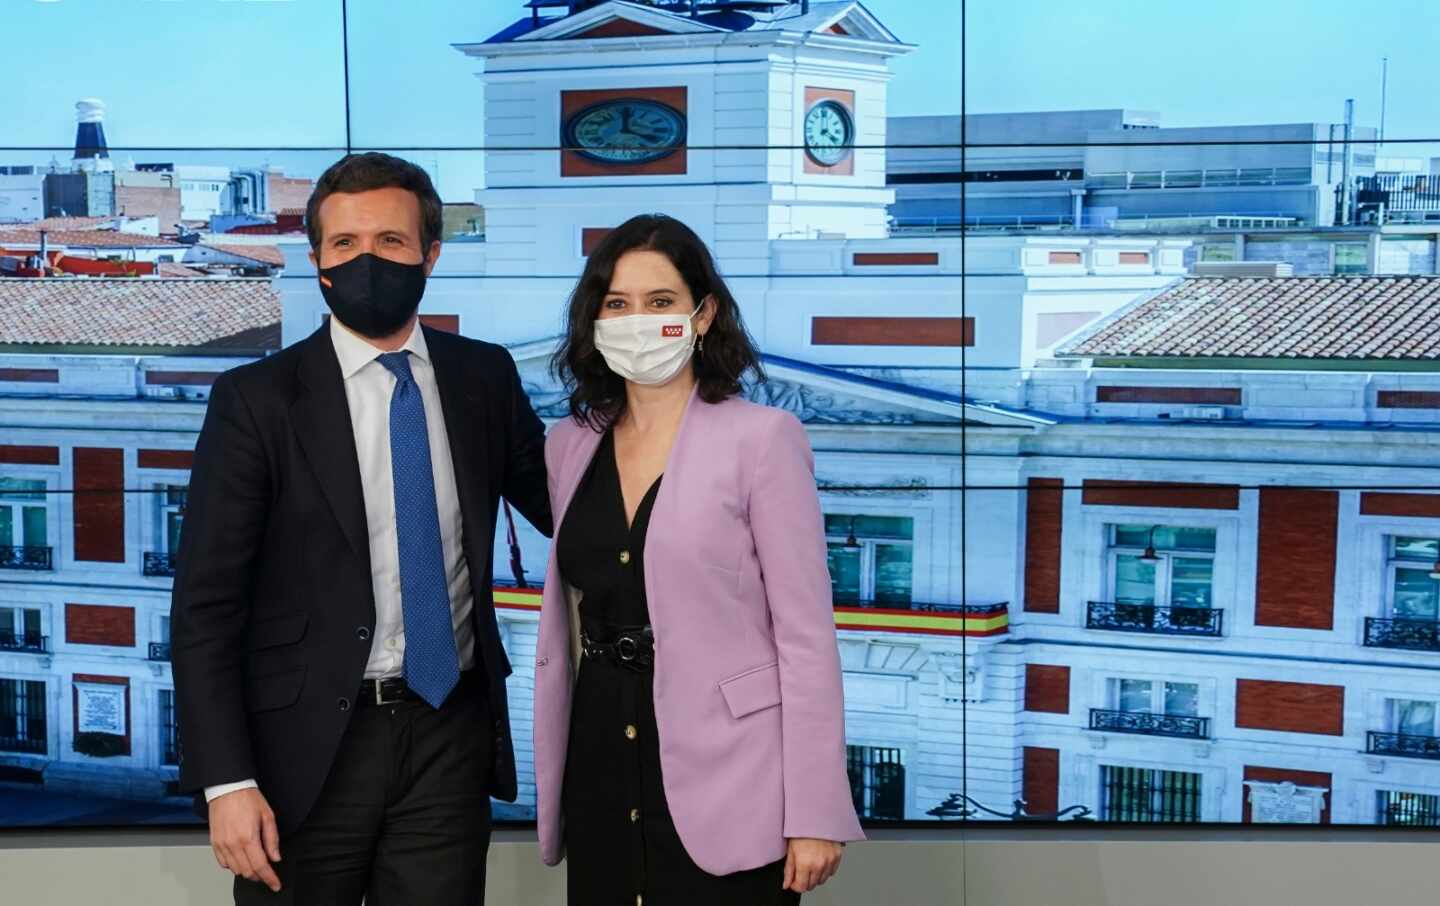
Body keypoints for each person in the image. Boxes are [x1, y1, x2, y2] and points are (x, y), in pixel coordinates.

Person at [169, 151, 551, 905]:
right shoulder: (257, 400)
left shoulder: (484, 378)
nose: (367, 260)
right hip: (303, 749)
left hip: (450, 732)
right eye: (345, 244)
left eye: (391, 242)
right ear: (317, 260)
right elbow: (207, 605)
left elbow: (569, 506)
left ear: (430, 255)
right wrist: (226, 779)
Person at [533, 213, 864, 905]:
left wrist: (814, 812)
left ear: (703, 312)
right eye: (617, 304)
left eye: (660, 302)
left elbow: (806, 638)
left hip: (732, 773)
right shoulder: (568, 443)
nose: (637, 321)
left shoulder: (764, 439)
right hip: (597, 751)